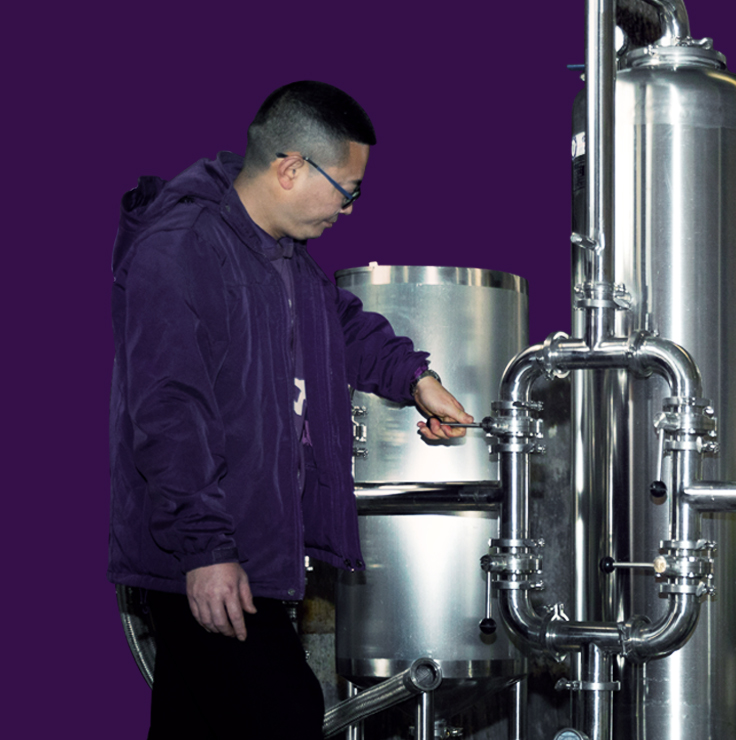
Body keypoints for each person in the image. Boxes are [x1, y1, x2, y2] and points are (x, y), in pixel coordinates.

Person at [108, 80, 474, 739]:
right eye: (347, 190)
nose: (351, 209)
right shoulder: (181, 249)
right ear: (290, 168)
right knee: (286, 715)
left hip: (250, 554)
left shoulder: (281, 259)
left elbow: (337, 324)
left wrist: (416, 378)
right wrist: (205, 551)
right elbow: (167, 413)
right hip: (212, 555)